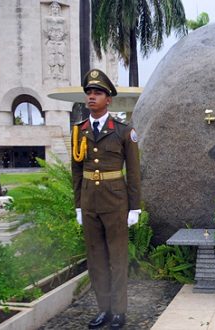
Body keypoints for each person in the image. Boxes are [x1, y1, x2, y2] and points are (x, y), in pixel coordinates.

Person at [72, 69, 141, 329]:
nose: (92, 97)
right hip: (90, 203)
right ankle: (104, 310)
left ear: (108, 99)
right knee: (96, 259)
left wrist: (134, 207)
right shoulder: (79, 131)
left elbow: (133, 171)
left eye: (97, 93)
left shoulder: (123, 131)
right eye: (89, 93)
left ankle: (119, 312)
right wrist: (78, 205)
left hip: (116, 203)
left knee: (117, 258)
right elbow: (76, 171)